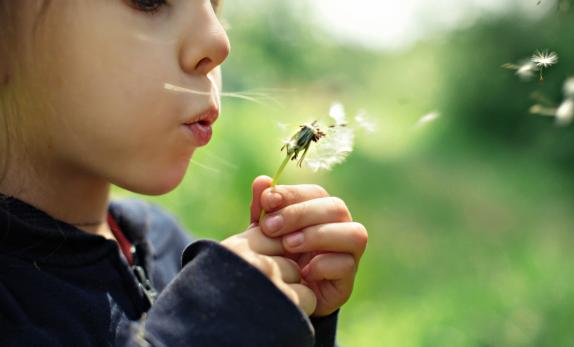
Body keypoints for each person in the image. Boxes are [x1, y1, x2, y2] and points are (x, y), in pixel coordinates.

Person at [0, 1, 368, 346]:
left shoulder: (169, 247)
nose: (219, 41)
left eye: (214, 3)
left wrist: (291, 317)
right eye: (151, 0)